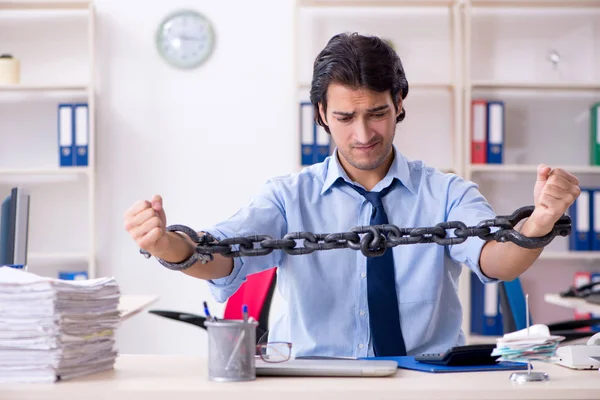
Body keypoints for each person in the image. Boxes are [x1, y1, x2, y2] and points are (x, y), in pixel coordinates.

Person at [123, 32, 580, 358]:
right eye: (344, 117)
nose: (363, 134)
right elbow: (224, 256)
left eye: (377, 113)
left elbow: (493, 261)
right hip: (315, 382)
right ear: (321, 113)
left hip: (425, 381)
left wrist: (538, 222)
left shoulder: (446, 192)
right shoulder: (287, 197)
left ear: (399, 102)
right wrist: (167, 245)